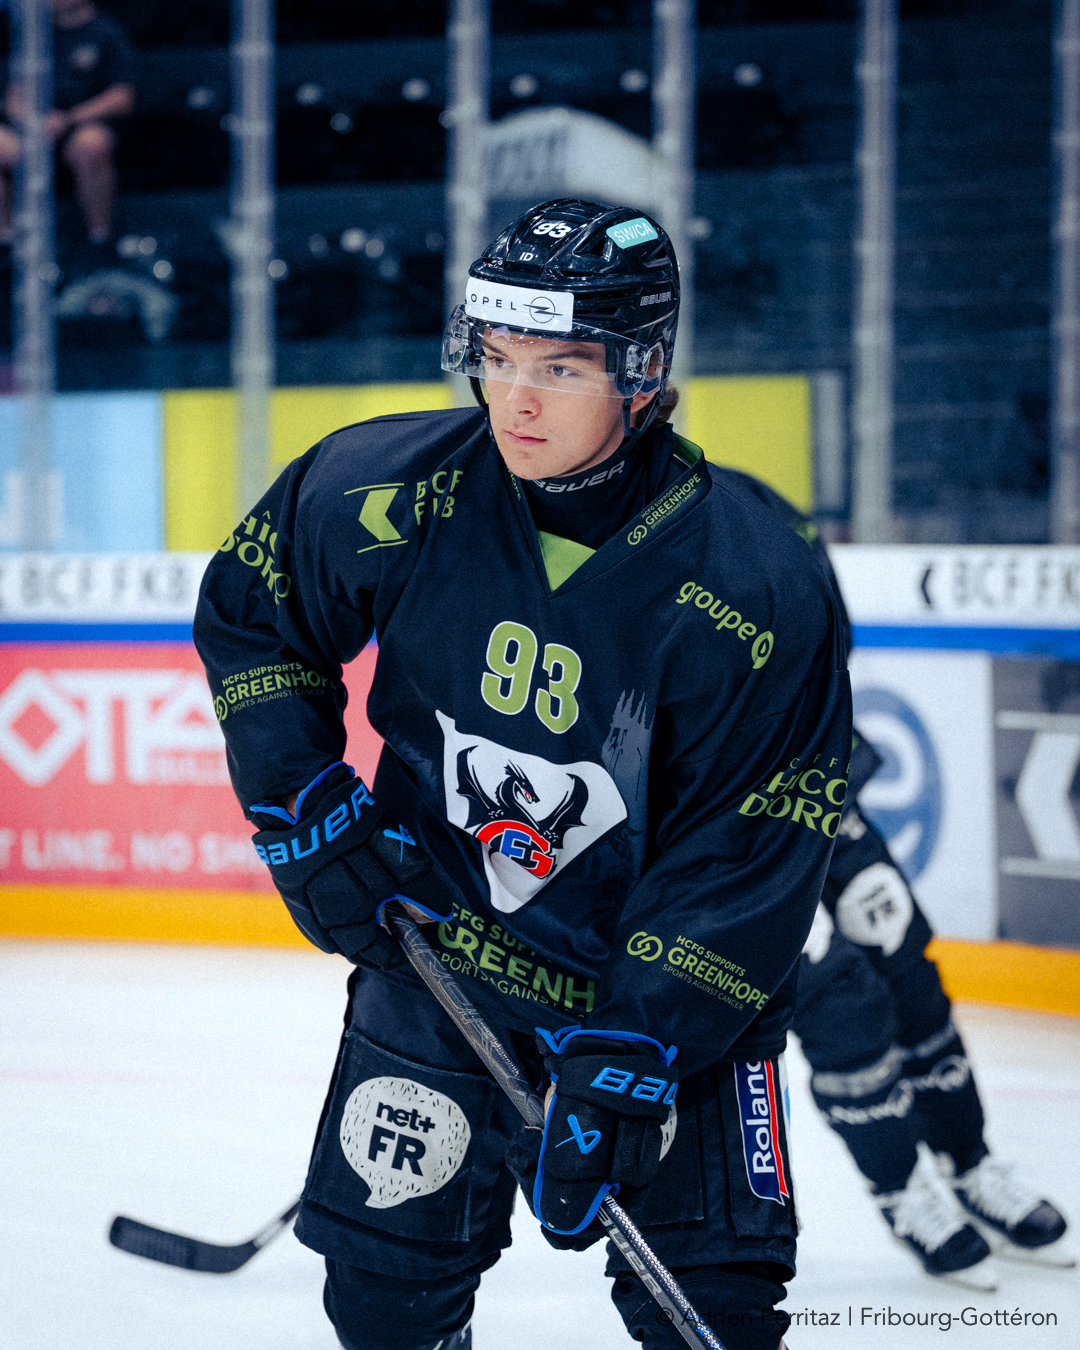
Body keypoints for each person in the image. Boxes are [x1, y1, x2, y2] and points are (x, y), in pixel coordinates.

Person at [194, 198, 852, 1350]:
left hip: (676, 1020)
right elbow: (257, 614)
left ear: (643, 373)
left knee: (715, 1315)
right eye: (496, 358)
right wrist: (302, 804)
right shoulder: (385, 490)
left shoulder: (757, 583)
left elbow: (751, 841)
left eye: (559, 367)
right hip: (443, 948)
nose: (517, 400)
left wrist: (642, 1042)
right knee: (382, 1304)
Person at [712, 468, 1072, 1291]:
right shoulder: (598, 532)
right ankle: (902, 1189)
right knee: (836, 1001)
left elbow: (828, 640)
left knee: (908, 970)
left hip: (817, 787)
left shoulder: (749, 502)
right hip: (720, 835)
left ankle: (971, 1166)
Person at [0, 0, 136, 247]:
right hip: (34, 129)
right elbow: (13, 99)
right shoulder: (35, 37)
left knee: (90, 144)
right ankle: (6, 239)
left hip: (83, 124)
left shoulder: (107, 33)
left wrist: (69, 118)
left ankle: (100, 238)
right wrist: (34, 123)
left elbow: (122, 97)